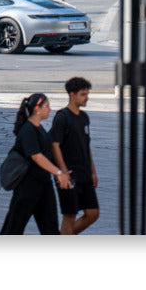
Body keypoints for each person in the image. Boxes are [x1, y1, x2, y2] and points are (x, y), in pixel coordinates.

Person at [0, 93, 71, 235]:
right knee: (13, 229)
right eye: (47, 106)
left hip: (44, 186)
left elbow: (46, 154)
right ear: (37, 108)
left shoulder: (39, 128)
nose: (50, 109)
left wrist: (60, 172)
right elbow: (37, 157)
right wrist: (57, 173)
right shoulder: (28, 130)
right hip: (27, 187)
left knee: (50, 229)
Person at [49, 77, 99, 235]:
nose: (87, 97)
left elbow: (86, 145)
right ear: (72, 95)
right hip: (69, 175)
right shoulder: (62, 117)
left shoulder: (84, 118)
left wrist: (93, 171)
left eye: (87, 94)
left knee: (93, 213)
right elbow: (55, 145)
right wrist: (62, 172)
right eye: (83, 94)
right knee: (69, 215)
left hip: (84, 174)